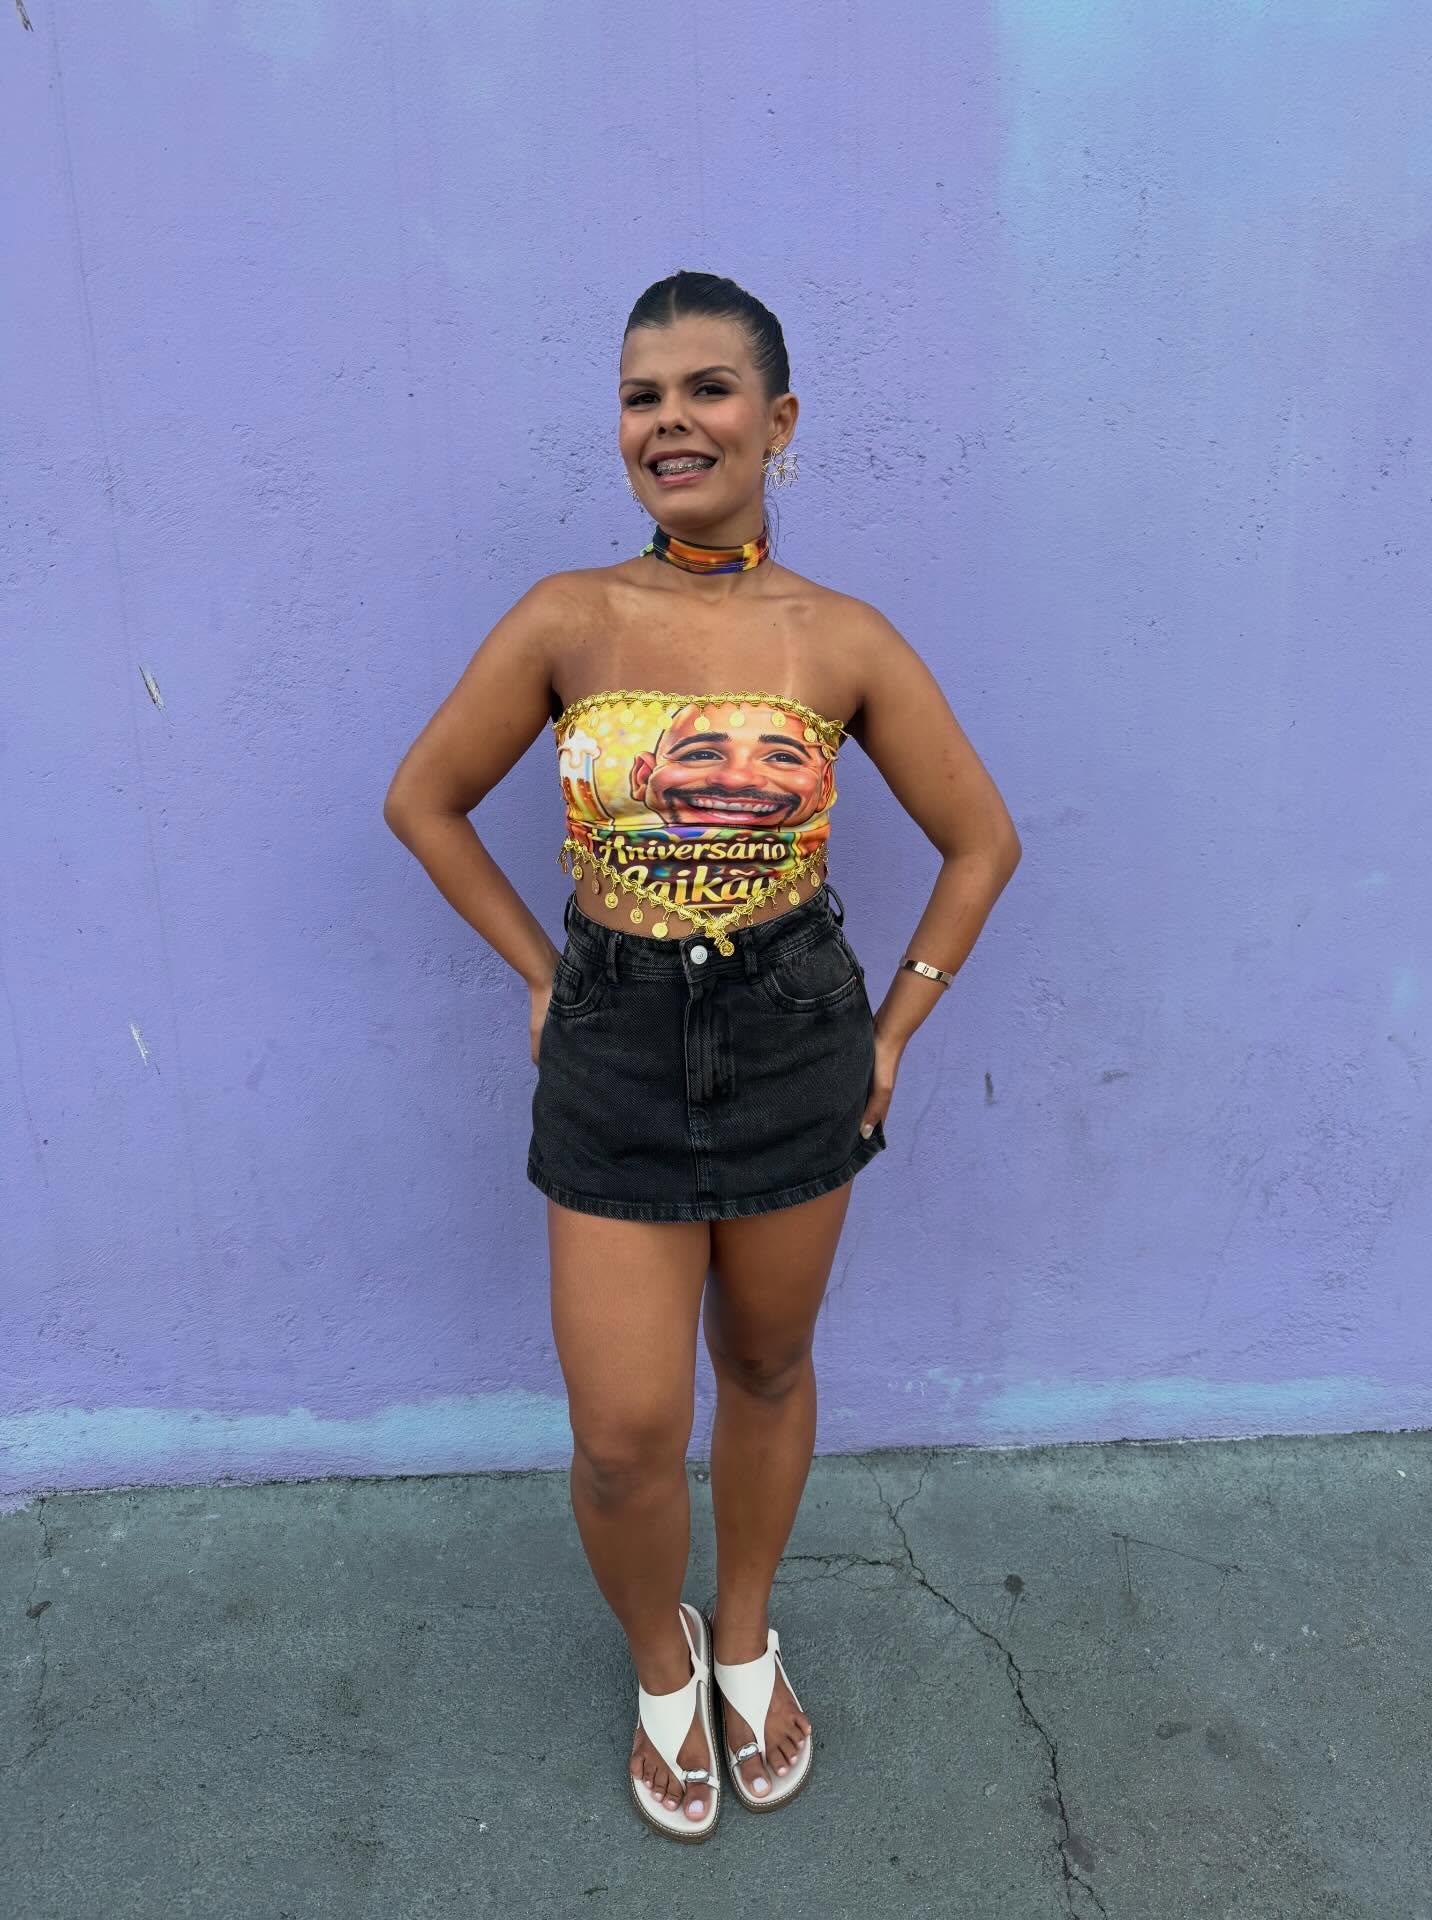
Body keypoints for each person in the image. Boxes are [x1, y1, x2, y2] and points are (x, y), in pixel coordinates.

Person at [383, 270, 1022, 1841]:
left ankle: (743, 1633)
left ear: (777, 419)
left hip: (795, 1035)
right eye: (641, 396)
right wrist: (548, 972)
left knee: (766, 1365)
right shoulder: (567, 618)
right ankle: (659, 1657)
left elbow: (982, 840)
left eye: (707, 390)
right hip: (614, 1047)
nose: (671, 421)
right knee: (621, 1438)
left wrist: (895, 1025)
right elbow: (423, 800)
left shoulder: (842, 638)